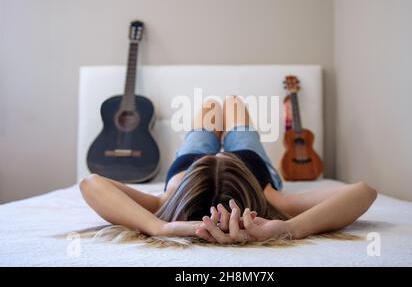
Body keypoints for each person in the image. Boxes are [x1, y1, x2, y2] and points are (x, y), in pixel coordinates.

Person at [79, 96, 377, 244]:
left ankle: (218, 118)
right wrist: (288, 227)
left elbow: (91, 184)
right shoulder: (273, 199)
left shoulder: (164, 200)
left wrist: (162, 226)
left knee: (213, 106)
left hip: (195, 162)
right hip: (246, 160)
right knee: (230, 104)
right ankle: (228, 117)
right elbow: (363, 192)